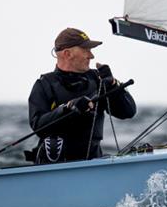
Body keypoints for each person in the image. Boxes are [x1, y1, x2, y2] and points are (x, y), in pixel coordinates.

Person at [27, 27, 137, 164]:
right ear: (67, 54)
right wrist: (68, 108)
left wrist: (114, 86)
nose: (91, 56)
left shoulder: (98, 80)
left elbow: (128, 112)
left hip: (93, 163)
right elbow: (38, 126)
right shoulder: (44, 85)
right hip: (55, 167)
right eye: (86, 50)